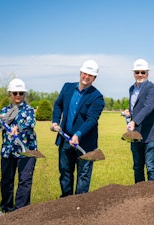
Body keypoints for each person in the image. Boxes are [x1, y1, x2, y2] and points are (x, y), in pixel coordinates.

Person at [51, 59, 105, 197]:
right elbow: (58, 105)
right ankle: (66, 201)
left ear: (94, 78)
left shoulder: (97, 97)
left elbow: (92, 120)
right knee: (65, 172)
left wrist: (78, 134)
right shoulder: (67, 87)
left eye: (90, 75)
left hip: (85, 143)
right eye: (84, 73)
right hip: (65, 139)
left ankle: (79, 206)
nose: (86, 77)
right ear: (80, 72)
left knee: (83, 176)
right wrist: (55, 122)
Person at [0, 78, 37, 217]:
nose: (18, 95)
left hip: (26, 151)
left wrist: (18, 128)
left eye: (21, 93)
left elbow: (30, 124)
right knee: (6, 180)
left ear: (24, 94)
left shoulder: (29, 110)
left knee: (24, 180)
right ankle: (6, 208)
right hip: (8, 151)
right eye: (15, 93)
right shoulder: (5, 111)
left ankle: (20, 211)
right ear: (10, 94)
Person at [122, 58, 154, 183]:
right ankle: (139, 195)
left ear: (147, 73)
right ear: (133, 73)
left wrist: (134, 121)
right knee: (137, 167)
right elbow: (136, 107)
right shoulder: (132, 89)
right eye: (137, 72)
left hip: (151, 134)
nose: (140, 75)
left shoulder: (152, 88)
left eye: (143, 72)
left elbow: (148, 107)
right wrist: (129, 112)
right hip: (136, 134)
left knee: (151, 167)